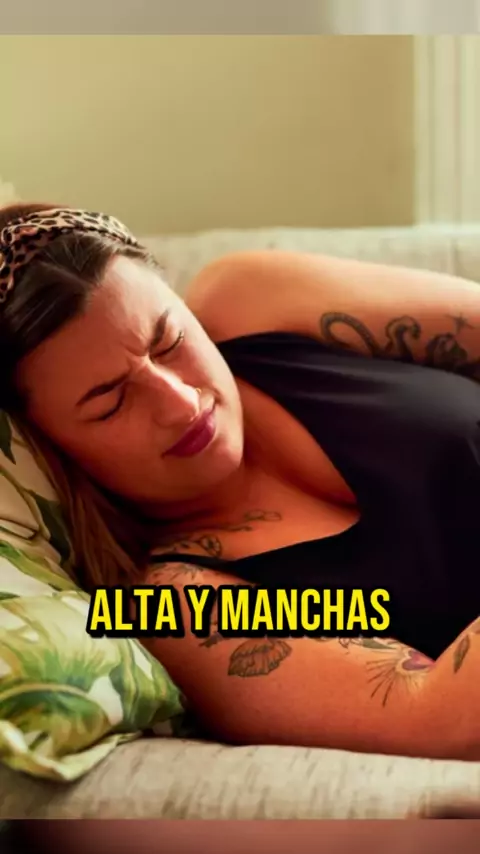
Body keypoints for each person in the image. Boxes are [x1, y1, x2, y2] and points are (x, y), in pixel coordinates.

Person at [3, 202, 480, 762]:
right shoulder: (176, 606)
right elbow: (444, 719)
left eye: (168, 341)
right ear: (51, 451)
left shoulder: (249, 302)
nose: (182, 404)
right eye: (110, 402)